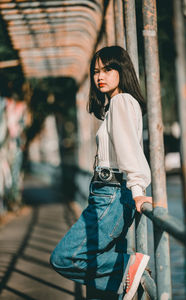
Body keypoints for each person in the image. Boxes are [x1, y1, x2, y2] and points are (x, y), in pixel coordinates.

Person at [50, 46, 152, 299]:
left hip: (112, 195)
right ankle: (127, 274)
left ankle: (129, 266)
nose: (99, 76)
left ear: (122, 69)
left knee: (65, 257)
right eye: (96, 71)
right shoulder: (117, 105)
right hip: (106, 195)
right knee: (98, 288)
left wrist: (138, 190)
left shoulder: (120, 101)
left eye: (108, 69)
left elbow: (129, 150)